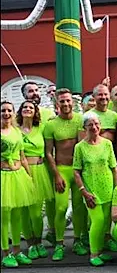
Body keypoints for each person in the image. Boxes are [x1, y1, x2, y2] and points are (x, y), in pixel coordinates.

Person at [43, 88, 88, 260]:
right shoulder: (51, 125)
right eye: (62, 101)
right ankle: (59, 243)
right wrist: (56, 175)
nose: (66, 104)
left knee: (78, 207)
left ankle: (77, 241)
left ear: (73, 102)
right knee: (61, 208)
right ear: (57, 104)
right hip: (61, 169)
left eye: (68, 100)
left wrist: (81, 172)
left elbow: (82, 146)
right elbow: (49, 152)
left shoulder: (79, 120)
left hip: (76, 170)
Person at [73, 112, 117, 266]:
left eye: (97, 124)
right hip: (91, 191)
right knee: (97, 221)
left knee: (106, 223)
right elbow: (76, 171)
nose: (94, 127)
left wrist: (116, 189)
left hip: (108, 188)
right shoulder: (80, 147)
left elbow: (114, 167)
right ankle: (93, 254)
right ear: (84, 127)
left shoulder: (107, 143)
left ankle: (100, 251)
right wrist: (83, 191)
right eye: (90, 124)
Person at [1, 101, 36, 268]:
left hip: (17, 176)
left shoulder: (16, 131)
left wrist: (29, 177)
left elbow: (22, 157)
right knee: (4, 217)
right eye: (3, 110)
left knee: (16, 217)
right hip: (3, 177)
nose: (6, 113)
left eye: (9, 110)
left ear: (14, 113)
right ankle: (5, 252)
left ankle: (17, 250)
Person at [17, 101, 53, 260]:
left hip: (39, 171)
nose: (27, 110)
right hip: (22, 172)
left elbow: (49, 149)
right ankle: (30, 244)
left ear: (35, 112)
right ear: (20, 111)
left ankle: (39, 241)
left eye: (31, 108)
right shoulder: (15, 131)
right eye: (25, 107)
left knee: (37, 213)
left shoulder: (42, 128)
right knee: (24, 212)